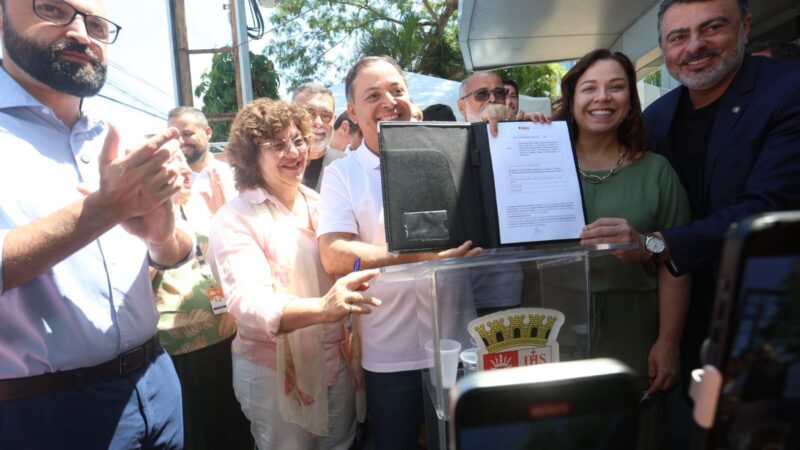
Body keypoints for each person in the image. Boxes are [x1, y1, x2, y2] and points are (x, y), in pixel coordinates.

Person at [579, 0, 800, 405]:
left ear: (745, 28)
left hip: (770, 319)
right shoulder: (660, 116)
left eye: (712, 28)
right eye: (678, 36)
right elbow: (594, 137)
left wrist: (653, 244)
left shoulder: (788, 90)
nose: (694, 46)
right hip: (688, 323)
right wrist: (521, 131)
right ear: (664, 48)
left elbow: (767, 209)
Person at [0, 0, 194, 448]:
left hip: (157, 381)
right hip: (42, 411)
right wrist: (103, 210)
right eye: (53, 9)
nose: (81, 33)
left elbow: (178, 250)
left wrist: (163, 237)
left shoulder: (122, 131)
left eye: (97, 25)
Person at [317, 56, 481, 450]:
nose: (389, 102)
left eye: (396, 90)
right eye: (373, 95)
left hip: (459, 343)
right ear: (353, 111)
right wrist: (417, 256)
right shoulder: (343, 173)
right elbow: (334, 254)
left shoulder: (455, 153)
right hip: (390, 355)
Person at [535, 49, 692, 449]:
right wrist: (508, 129)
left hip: (633, 326)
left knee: (632, 435)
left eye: (616, 87)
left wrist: (668, 341)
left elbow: (677, 262)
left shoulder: (657, 171)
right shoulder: (537, 160)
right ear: (571, 99)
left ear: (630, 100)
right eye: (589, 88)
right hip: (553, 320)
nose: (602, 97)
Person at [207, 98, 381, 450]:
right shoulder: (236, 217)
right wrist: (323, 308)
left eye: (299, 140)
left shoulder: (320, 202)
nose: (294, 152)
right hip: (274, 369)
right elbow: (247, 301)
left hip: (337, 360)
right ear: (251, 157)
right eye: (278, 144)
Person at [151, 148, 253, 450]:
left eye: (185, 162)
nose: (185, 170)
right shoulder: (140, 221)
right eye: (173, 164)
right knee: (198, 435)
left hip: (226, 338)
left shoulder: (197, 206)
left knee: (233, 432)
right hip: (182, 351)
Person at [168, 106, 237, 206]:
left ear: (208, 133)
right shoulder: (168, 182)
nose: (181, 141)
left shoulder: (232, 175)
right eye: (175, 136)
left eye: (187, 134)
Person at [292, 82, 345, 191]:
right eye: (309, 114)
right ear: (291, 116)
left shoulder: (347, 166)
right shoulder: (273, 165)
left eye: (326, 115)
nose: (318, 122)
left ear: (334, 120)